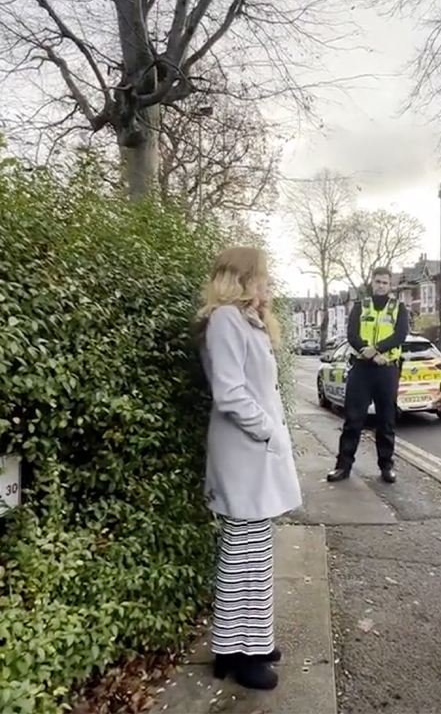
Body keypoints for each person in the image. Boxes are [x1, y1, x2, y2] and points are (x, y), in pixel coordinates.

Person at [196, 246, 303, 691]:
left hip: (253, 453)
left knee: (251, 554)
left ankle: (245, 642)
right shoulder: (225, 319)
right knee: (245, 555)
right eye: (262, 275)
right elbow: (230, 393)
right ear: (242, 278)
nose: (269, 283)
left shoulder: (245, 320)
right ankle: (242, 653)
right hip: (245, 452)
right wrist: (269, 433)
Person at [328, 266, 411, 484]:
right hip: (362, 369)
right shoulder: (360, 306)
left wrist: (377, 349)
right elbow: (352, 335)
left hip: (387, 369)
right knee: (353, 420)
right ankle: (343, 467)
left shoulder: (398, 308)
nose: (381, 285)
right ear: (371, 283)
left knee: (386, 422)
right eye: (377, 282)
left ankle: (386, 466)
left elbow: (400, 335)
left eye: (385, 282)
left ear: (390, 285)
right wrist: (371, 353)